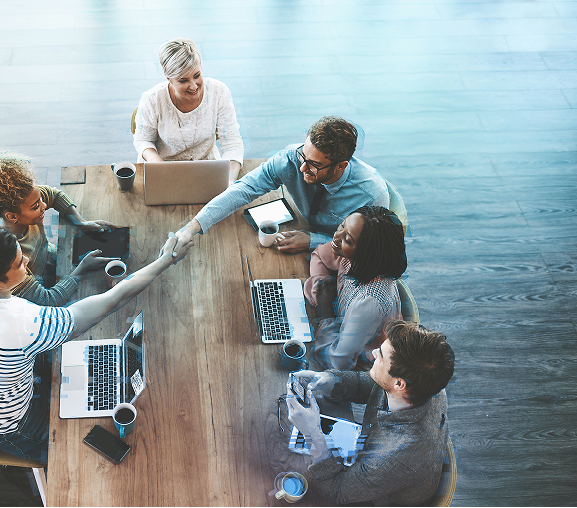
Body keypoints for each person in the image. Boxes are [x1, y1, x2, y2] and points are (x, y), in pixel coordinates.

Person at [0, 224, 193, 462]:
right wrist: (166, 260)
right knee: (81, 453)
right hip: (14, 426)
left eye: (19, 253)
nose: (26, 261)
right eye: (18, 264)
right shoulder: (23, 323)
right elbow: (114, 300)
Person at [286, 321, 455, 506]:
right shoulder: (427, 386)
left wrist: (312, 434)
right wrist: (330, 380)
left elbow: (338, 491)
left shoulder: (392, 459)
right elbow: (378, 384)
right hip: (379, 469)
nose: (374, 353)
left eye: (381, 356)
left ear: (399, 384)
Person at [173, 116, 389, 255]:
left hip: (337, 257)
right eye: (303, 155)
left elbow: (368, 249)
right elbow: (245, 188)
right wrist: (193, 226)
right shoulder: (292, 158)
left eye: (314, 165)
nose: (302, 168)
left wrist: (314, 241)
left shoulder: (372, 195)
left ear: (341, 166)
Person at [0, 150, 120, 306]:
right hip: (40, 293)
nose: (44, 206)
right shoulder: (7, 257)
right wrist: (82, 269)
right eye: (36, 206)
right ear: (12, 216)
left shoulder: (24, 198)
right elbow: (47, 300)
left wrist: (81, 222)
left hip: (52, 259)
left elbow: (54, 195)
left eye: (40, 199)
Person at [304, 205, 407, 370]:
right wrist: (321, 286)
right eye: (342, 225)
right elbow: (319, 255)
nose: (336, 237)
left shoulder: (369, 302)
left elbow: (340, 361)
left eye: (347, 239)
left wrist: (325, 312)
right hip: (339, 331)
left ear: (367, 254)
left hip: (363, 365)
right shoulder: (351, 254)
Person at [133, 37, 244, 181]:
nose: (193, 86)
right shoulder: (152, 99)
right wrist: (157, 163)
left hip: (207, 168)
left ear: (201, 68)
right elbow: (142, 140)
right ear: (169, 79)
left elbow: (232, 142)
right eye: (183, 80)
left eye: (197, 75)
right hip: (165, 170)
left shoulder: (219, 92)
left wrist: (229, 181)